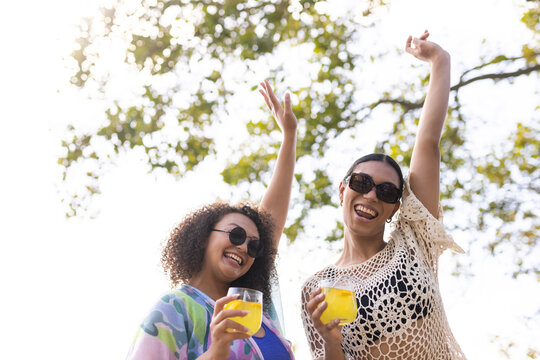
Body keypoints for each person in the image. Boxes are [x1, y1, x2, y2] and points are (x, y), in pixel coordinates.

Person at [300, 31, 467, 359]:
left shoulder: (415, 242)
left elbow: (428, 143)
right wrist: (330, 339)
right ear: (342, 189)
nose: (372, 195)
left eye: (387, 191)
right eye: (362, 183)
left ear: (395, 207)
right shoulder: (318, 286)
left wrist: (440, 61)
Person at [126, 80, 297, 360]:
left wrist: (289, 137)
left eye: (254, 247)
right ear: (204, 236)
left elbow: (272, 221)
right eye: (236, 235)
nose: (243, 248)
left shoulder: (256, 315)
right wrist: (217, 351)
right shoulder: (173, 310)